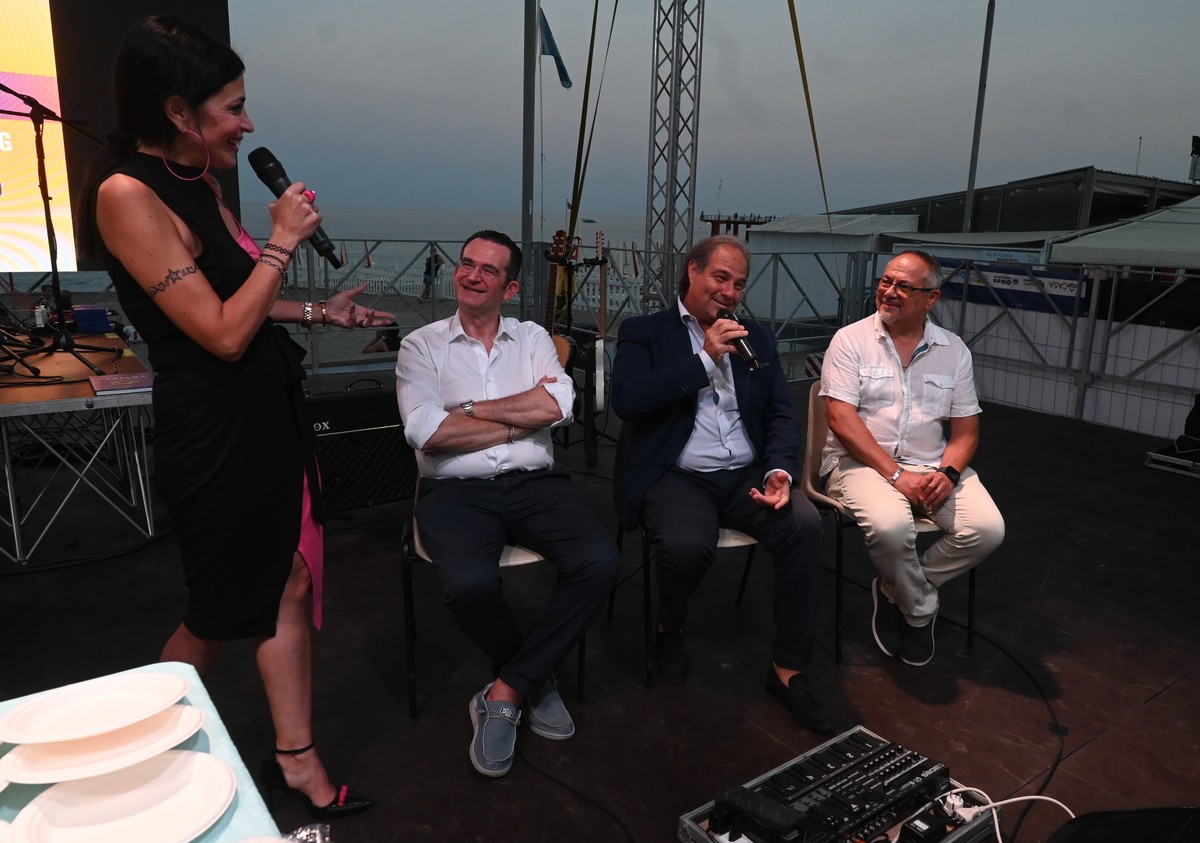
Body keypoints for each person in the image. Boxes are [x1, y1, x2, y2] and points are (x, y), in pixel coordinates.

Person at [77, 15, 393, 818]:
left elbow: (234, 295)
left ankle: (296, 757)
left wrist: (319, 310)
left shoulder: (200, 182)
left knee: (288, 578)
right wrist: (282, 241)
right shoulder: (126, 195)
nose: (247, 125)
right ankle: (140, 743)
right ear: (179, 112)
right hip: (214, 433)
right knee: (217, 609)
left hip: (265, 417)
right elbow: (219, 331)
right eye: (233, 108)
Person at [395, 230, 619, 778]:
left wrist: (468, 410)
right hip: (456, 492)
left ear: (510, 287)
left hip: (536, 484)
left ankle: (508, 687)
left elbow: (558, 404)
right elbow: (427, 432)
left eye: (488, 270)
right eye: (466, 264)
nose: (471, 276)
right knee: (469, 584)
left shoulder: (534, 337)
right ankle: (531, 677)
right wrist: (519, 422)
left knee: (599, 562)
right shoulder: (421, 345)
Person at [611, 235, 833, 735]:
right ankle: (670, 625)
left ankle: (789, 669)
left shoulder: (757, 338)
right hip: (677, 474)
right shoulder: (645, 332)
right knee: (688, 545)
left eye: (739, 284)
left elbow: (780, 414)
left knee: (804, 526)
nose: (730, 292)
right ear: (692, 271)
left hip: (747, 474)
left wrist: (779, 471)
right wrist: (705, 359)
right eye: (720, 277)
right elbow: (626, 398)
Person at [819, 250, 1005, 667]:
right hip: (859, 463)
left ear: (931, 298)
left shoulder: (953, 350)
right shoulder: (850, 340)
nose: (889, 291)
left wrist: (949, 473)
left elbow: (967, 428)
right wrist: (895, 475)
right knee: (891, 527)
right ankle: (920, 611)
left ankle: (894, 590)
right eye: (886, 282)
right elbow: (840, 419)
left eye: (903, 286)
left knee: (987, 529)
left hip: (930, 463)